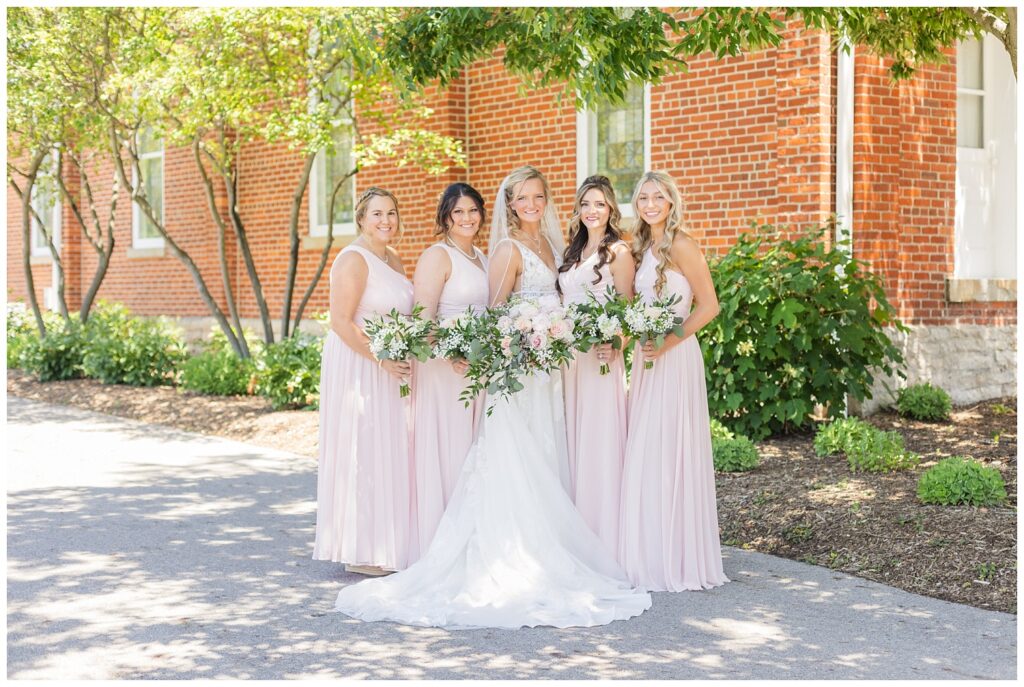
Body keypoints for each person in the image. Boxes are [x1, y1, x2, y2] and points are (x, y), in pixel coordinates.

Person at [333, 166, 651, 629]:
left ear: (545, 200)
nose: (531, 205)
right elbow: (498, 312)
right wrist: (527, 335)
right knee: (519, 455)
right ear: (509, 204)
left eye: (538, 197)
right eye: (522, 198)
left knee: (546, 453)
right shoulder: (505, 249)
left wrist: (554, 333)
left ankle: (550, 541)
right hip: (524, 367)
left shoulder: (555, 246)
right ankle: (514, 549)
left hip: (551, 368)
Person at [619, 171, 729, 591]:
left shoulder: (682, 245)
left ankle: (676, 557)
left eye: (658, 197)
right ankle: (647, 552)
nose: (650, 204)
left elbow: (710, 306)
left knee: (670, 450)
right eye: (643, 197)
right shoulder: (641, 248)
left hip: (675, 357)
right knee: (646, 450)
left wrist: (668, 341)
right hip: (646, 361)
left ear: (671, 202)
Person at [312, 187, 415, 576]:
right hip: (360, 360)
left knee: (388, 446)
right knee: (363, 445)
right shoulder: (353, 259)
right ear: (361, 218)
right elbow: (340, 321)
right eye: (377, 214)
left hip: (389, 361)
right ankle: (361, 550)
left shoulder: (392, 258)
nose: (385, 220)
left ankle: (385, 541)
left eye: (391, 213)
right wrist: (381, 356)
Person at [409, 183, 489, 560]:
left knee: (473, 453)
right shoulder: (437, 256)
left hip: (478, 369)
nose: (467, 218)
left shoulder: (482, 257)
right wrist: (451, 353)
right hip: (445, 370)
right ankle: (438, 544)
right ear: (445, 216)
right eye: (459, 212)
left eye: (473, 210)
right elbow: (422, 322)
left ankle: (470, 538)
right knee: (449, 451)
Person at [557, 175, 635, 556]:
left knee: (599, 442)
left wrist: (616, 343)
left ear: (611, 210)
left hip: (601, 359)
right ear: (578, 209)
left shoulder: (618, 252)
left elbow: (628, 309)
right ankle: (575, 532)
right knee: (572, 441)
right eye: (586, 203)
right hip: (569, 361)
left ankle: (604, 538)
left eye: (600, 204)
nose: (592, 211)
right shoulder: (571, 253)